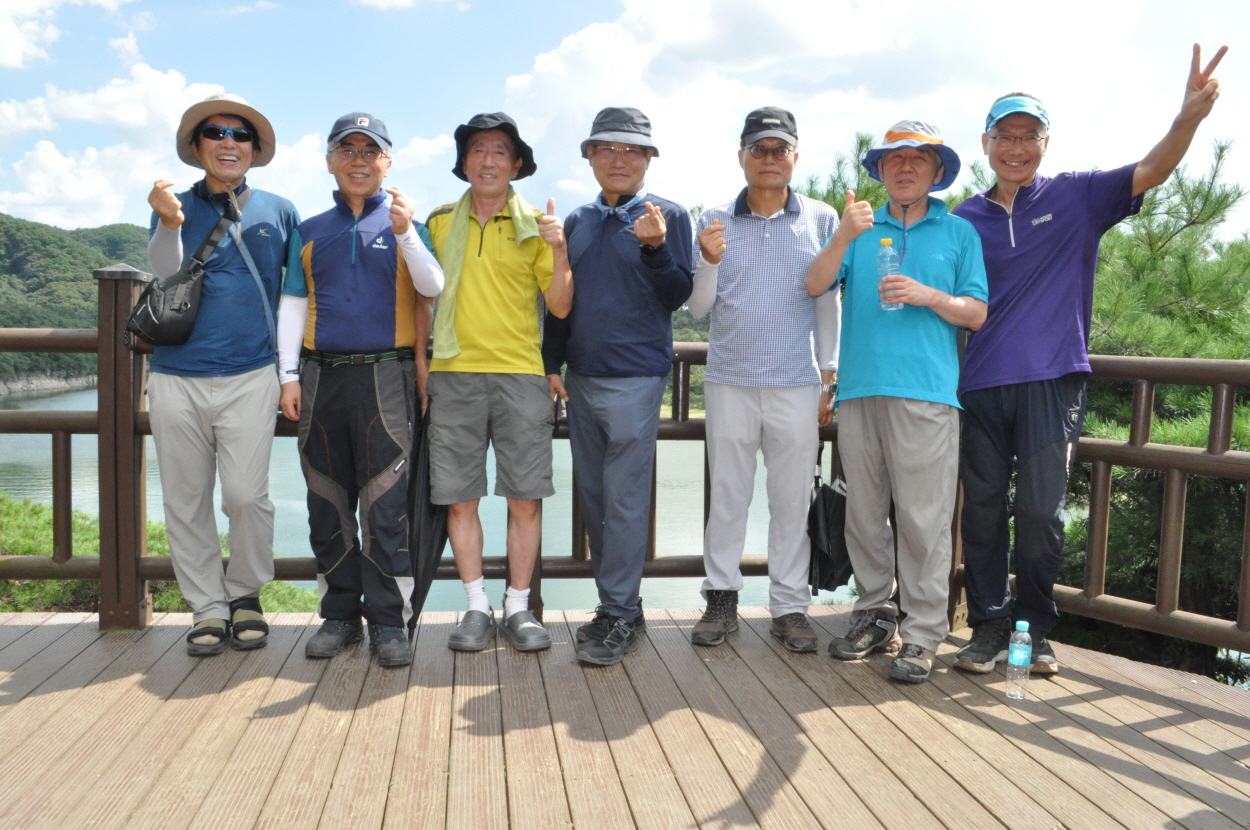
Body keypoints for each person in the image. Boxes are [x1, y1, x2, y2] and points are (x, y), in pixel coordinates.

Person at [951, 45, 1228, 677]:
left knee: (1042, 514)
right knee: (983, 512)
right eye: (1004, 136)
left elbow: (1153, 168)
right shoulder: (964, 219)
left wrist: (1187, 117)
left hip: (1053, 382)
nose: (1016, 148)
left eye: (1029, 136)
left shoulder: (1078, 196)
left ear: (1045, 143)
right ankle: (988, 627)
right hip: (979, 384)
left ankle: (1032, 628)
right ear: (986, 143)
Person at [807, 120, 988, 683]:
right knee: (863, 516)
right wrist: (842, 235)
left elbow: (976, 313)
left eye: (919, 158)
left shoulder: (959, 232)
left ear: (937, 171)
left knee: (923, 520)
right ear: (880, 171)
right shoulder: (859, 227)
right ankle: (874, 613)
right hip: (860, 392)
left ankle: (924, 634)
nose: (906, 167)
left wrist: (929, 295)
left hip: (927, 394)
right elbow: (814, 284)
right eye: (895, 159)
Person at [276, 113, 444, 668]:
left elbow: (432, 285)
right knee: (326, 500)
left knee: (385, 504)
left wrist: (405, 232)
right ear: (330, 160)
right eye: (347, 150)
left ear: (387, 163)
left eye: (370, 151)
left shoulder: (405, 224)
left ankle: (389, 622)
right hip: (321, 376)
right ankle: (340, 616)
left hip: (386, 377)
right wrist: (288, 375)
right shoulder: (309, 230)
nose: (358, 160)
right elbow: (293, 304)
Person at [145, 94, 301, 655]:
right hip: (175, 374)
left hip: (252, 373)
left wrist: (290, 371)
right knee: (185, 499)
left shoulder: (279, 211)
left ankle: (245, 593)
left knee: (245, 495)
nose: (228, 142)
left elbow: (296, 294)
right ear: (197, 146)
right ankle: (207, 607)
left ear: (254, 150)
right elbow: (165, 270)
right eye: (215, 132)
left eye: (240, 135)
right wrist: (169, 223)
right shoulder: (174, 206)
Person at [543, 107, 693, 665]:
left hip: (636, 377)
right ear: (589, 156)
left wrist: (655, 248)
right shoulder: (578, 220)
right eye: (607, 148)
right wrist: (551, 363)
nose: (619, 158)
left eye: (632, 150)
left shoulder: (669, 215)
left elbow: (678, 295)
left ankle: (622, 613)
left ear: (649, 158)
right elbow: (561, 298)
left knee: (624, 502)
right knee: (595, 498)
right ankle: (618, 607)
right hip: (581, 377)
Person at [688, 107, 841, 653]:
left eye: (780, 149)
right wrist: (708, 260)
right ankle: (720, 597)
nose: (770, 158)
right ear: (742, 156)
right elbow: (698, 308)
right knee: (728, 496)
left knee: (791, 500)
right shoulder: (714, 217)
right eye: (759, 149)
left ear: (796, 156)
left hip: (797, 381)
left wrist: (829, 373)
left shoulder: (822, 218)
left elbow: (827, 299)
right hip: (729, 379)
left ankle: (790, 605)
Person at [425, 113, 573, 653]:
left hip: (520, 374)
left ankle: (517, 605)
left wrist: (560, 249)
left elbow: (561, 305)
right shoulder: (438, 223)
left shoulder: (536, 224)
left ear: (516, 164)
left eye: (500, 152)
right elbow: (419, 296)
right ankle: (475, 606)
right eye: (478, 150)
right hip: (452, 373)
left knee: (524, 499)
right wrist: (421, 367)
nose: (488, 161)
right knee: (459, 500)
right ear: (464, 162)